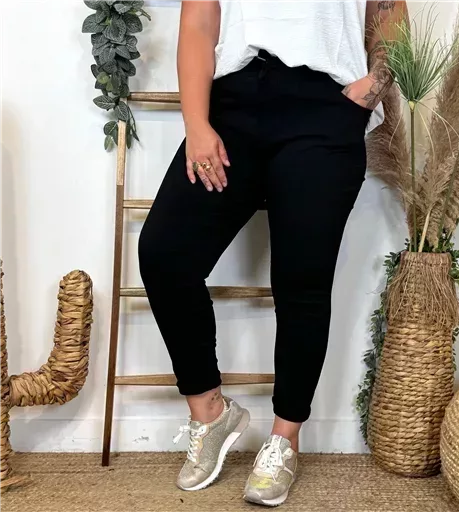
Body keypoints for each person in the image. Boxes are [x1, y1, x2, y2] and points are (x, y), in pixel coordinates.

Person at [138, 0, 408, 506]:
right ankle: (210, 414)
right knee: (164, 254)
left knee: (303, 280)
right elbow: (199, 20)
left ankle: (284, 439)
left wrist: (369, 89)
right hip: (234, 101)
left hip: (327, 107)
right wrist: (196, 123)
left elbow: (390, 17)